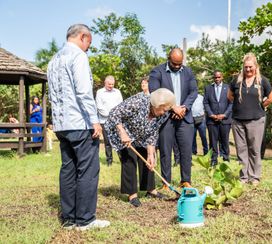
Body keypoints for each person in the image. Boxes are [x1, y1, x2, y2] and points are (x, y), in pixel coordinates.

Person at [47, 24, 109, 231]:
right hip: (80, 123)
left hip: (61, 124)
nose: (88, 48)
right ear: (83, 37)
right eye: (89, 43)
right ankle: (84, 220)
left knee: (68, 169)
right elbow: (83, 92)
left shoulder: (53, 60)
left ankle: (69, 218)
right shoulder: (78, 56)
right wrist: (95, 120)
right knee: (88, 170)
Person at [105, 88, 176, 207]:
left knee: (148, 160)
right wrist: (122, 132)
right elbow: (114, 114)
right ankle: (132, 194)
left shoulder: (163, 114)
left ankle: (150, 190)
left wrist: (151, 154)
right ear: (158, 105)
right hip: (123, 131)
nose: (165, 112)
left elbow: (153, 131)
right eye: (164, 109)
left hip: (142, 134)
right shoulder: (138, 102)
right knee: (130, 158)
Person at [149, 48, 198, 189]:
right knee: (165, 150)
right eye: (174, 63)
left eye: (179, 64)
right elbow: (155, 93)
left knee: (186, 150)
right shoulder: (157, 72)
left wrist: (184, 108)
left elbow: (194, 91)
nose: (177, 67)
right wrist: (173, 107)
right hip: (166, 118)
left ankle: (186, 180)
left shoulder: (188, 71)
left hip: (184, 116)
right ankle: (166, 182)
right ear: (168, 59)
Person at [228, 52, 272, 186]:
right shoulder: (236, 80)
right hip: (238, 120)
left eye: (250, 67)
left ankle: (255, 177)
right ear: (243, 67)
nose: (248, 69)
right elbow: (230, 96)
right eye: (246, 67)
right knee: (241, 150)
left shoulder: (263, 81)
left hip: (256, 120)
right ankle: (243, 177)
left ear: (255, 66)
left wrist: (261, 105)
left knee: (254, 149)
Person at [204, 70, 232, 166]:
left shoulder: (228, 88)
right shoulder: (208, 88)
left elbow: (231, 103)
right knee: (213, 141)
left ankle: (226, 159)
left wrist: (224, 115)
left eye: (219, 77)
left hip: (225, 120)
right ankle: (213, 160)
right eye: (215, 77)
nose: (217, 79)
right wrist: (211, 114)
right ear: (213, 78)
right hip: (212, 120)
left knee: (225, 140)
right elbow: (206, 103)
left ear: (222, 77)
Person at [95, 75, 123, 166]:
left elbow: (121, 105)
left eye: (112, 84)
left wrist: (116, 116)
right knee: (107, 142)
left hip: (117, 121)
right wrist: (111, 115)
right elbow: (99, 107)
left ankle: (122, 159)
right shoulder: (100, 92)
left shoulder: (117, 92)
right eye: (109, 84)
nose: (111, 86)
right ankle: (109, 161)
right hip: (105, 121)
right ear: (105, 83)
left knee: (119, 140)